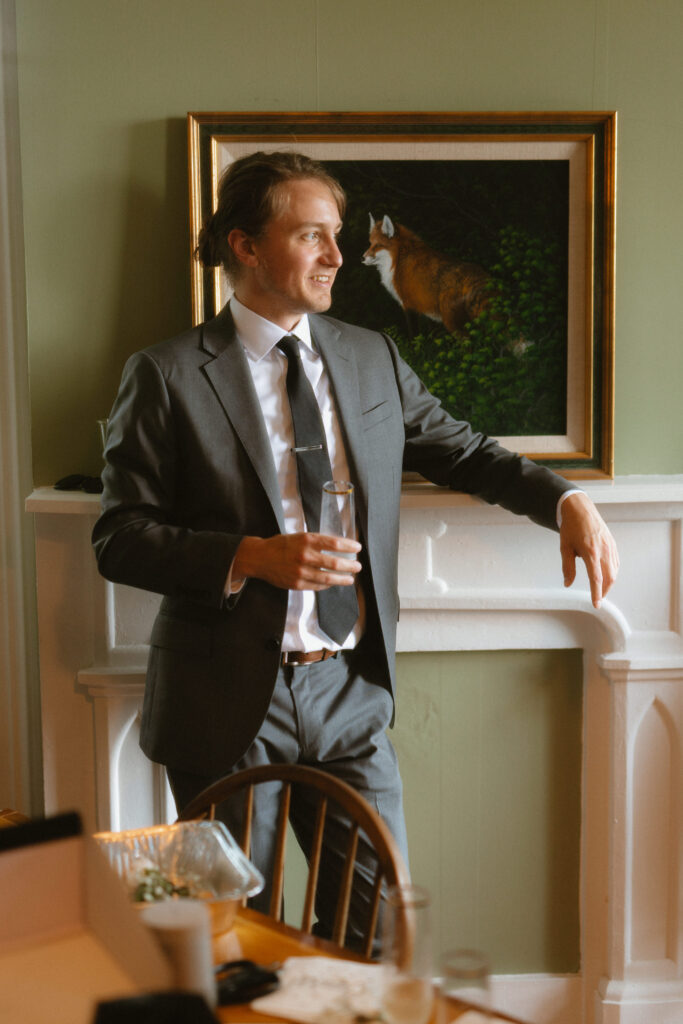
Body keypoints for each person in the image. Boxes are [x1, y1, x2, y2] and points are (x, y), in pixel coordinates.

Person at [92, 151, 618, 939]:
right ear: (246, 245)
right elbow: (119, 538)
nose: (337, 256)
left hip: (350, 689)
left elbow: (464, 451)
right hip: (223, 699)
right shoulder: (166, 375)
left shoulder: (371, 356)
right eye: (311, 235)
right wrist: (249, 557)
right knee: (234, 939)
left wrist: (565, 500)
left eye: (336, 235)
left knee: (375, 929)